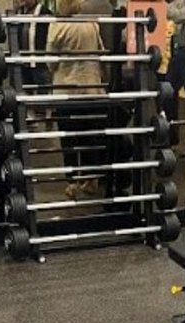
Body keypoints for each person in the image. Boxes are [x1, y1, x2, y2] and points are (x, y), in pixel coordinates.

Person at [47, 0, 106, 199]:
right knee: (90, 136)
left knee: (69, 138)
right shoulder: (92, 24)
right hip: (91, 89)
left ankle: (71, 182)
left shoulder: (58, 26)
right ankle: (90, 180)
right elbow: (101, 53)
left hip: (66, 92)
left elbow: (50, 61)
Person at [16, 0, 53, 95]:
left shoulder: (44, 12)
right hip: (23, 61)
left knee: (42, 91)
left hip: (39, 61)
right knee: (26, 91)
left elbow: (51, 35)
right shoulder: (19, 12)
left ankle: (41, 109)